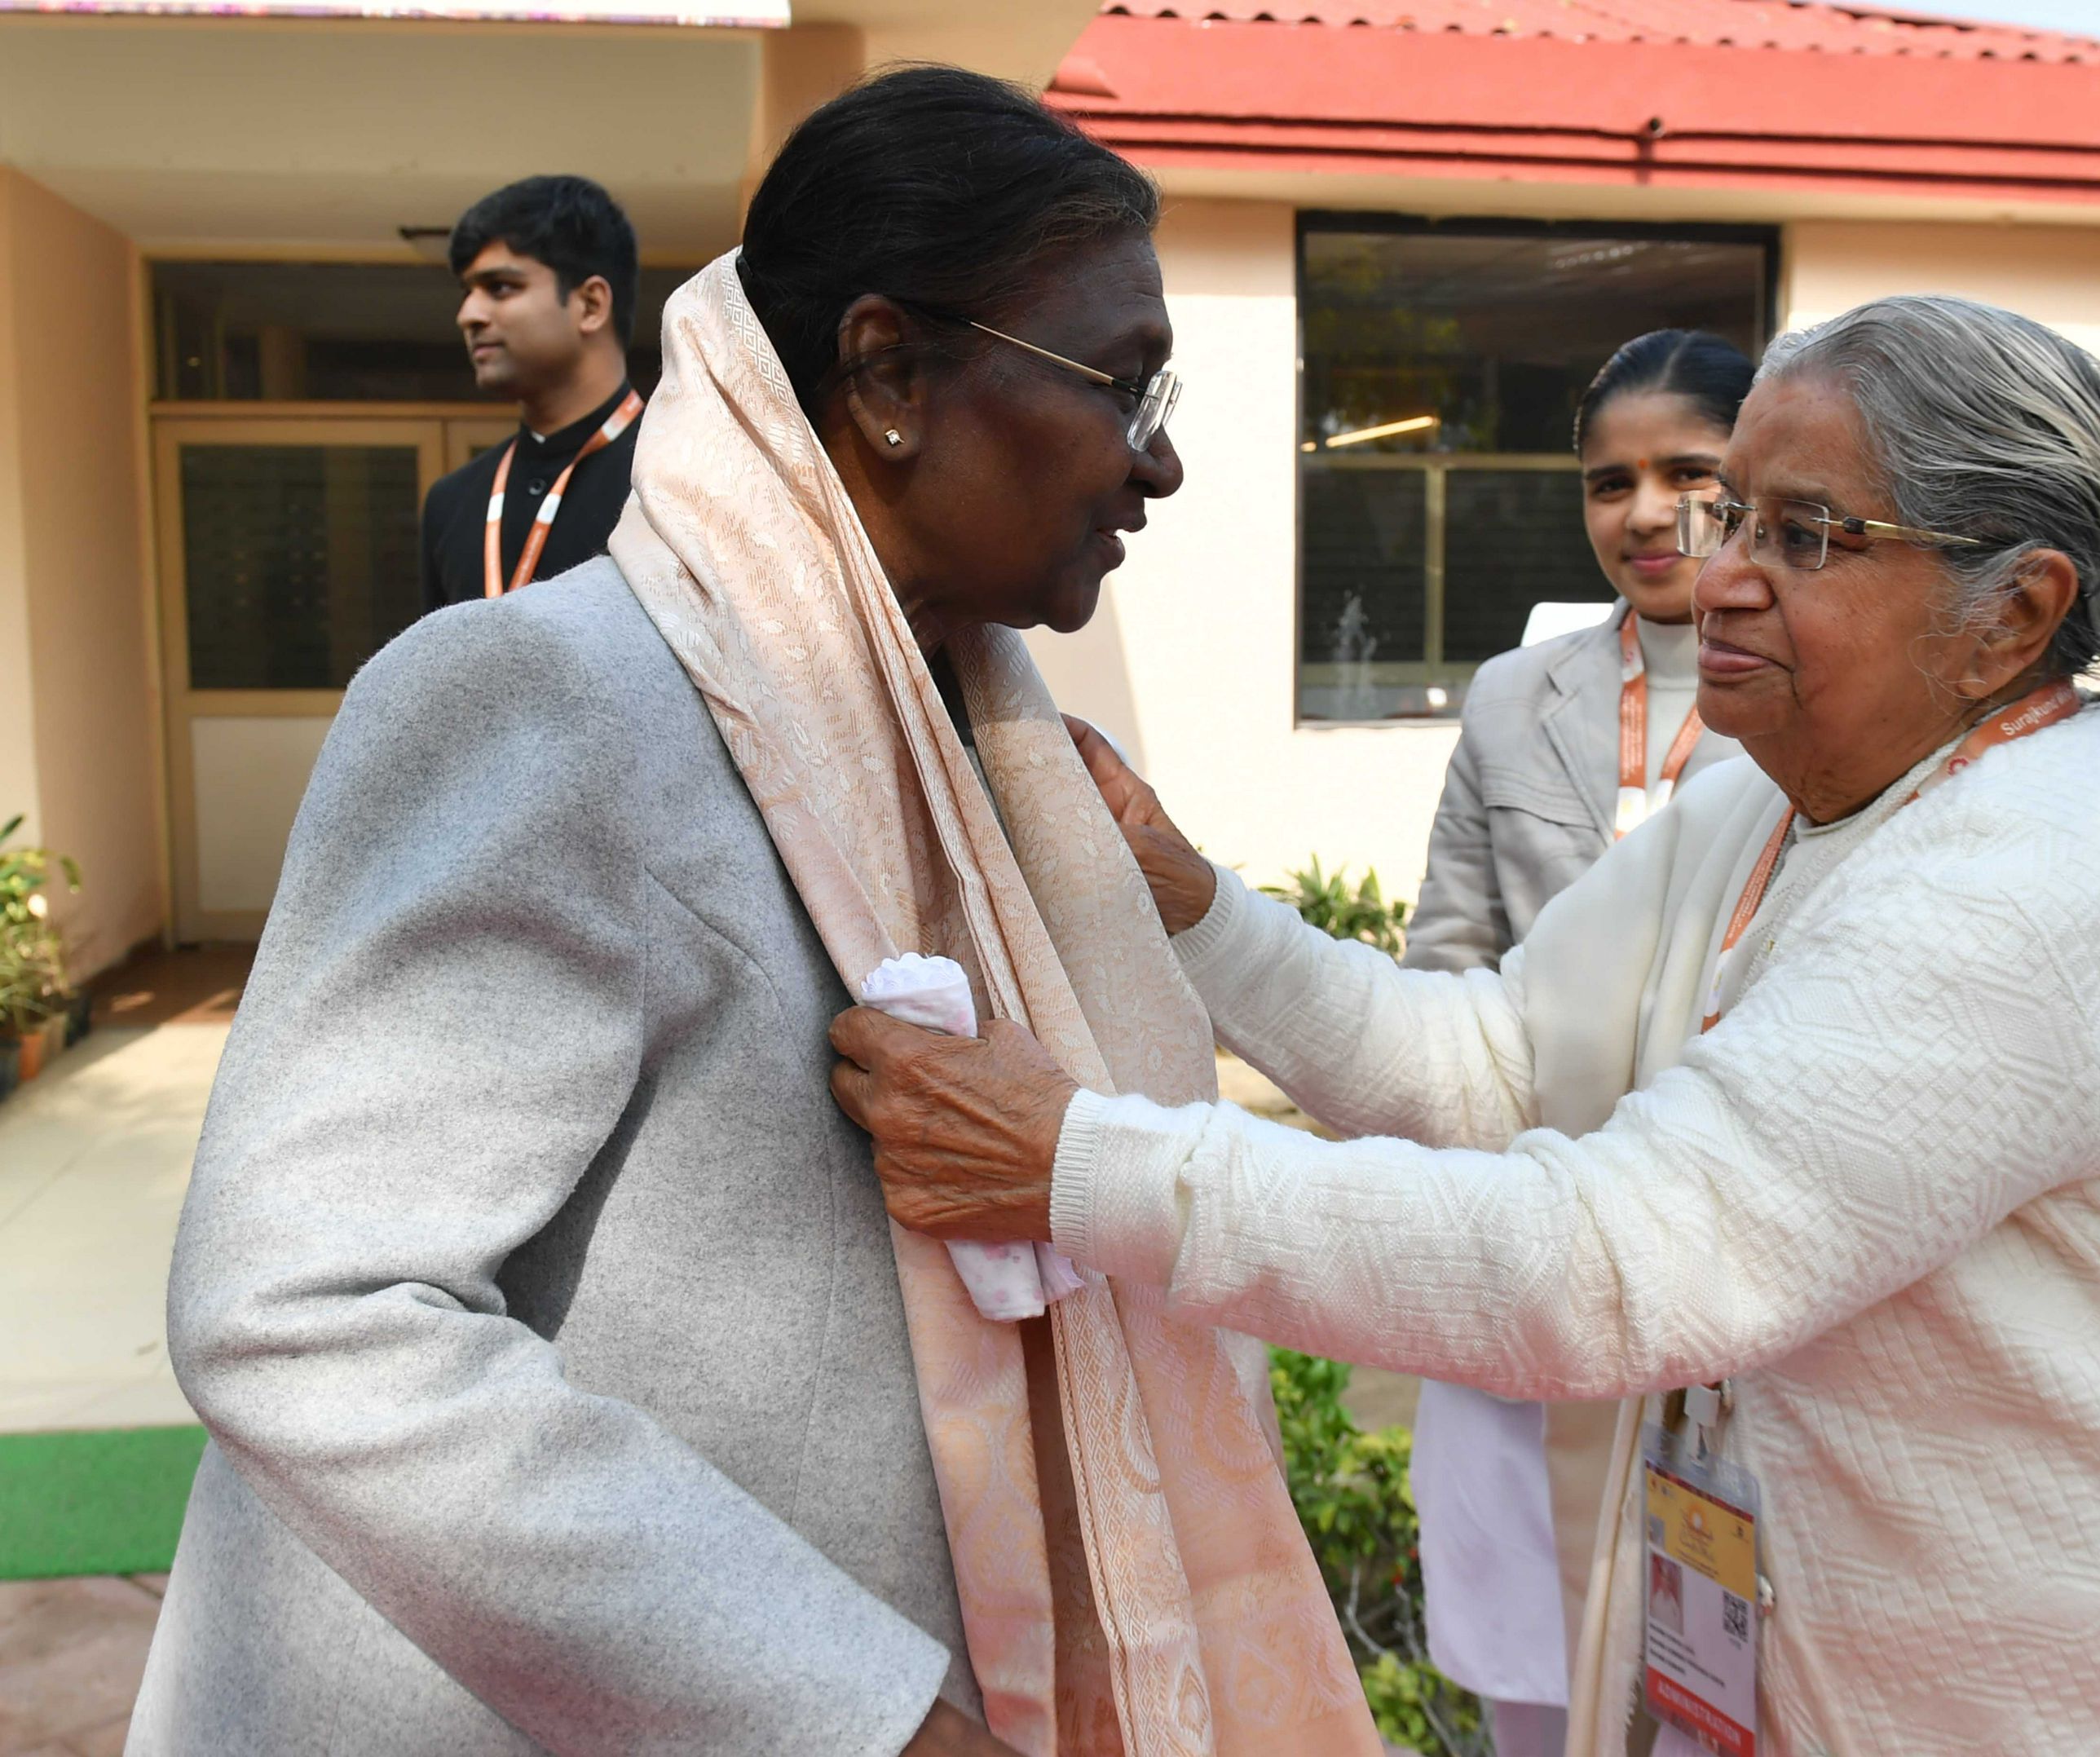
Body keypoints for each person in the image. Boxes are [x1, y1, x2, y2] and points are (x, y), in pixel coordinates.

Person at [832, 294, 2100, 1751]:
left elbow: (1602, 1266)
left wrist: (1077, 1168)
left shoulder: (2038, 874)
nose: (1715, 571)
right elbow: (1494, 1068)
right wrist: (1189, 904)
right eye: (1736, 510)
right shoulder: (1775, 805)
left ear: (2011, 616)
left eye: (1804, 535)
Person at [131, 68, 1374, 1756]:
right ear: (889, 376)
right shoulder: (543, 703)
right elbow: (305, 1317)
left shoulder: (983, 760)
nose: (1156, 463)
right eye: (1121, 383)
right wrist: (863, 1718)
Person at [1401, 328, 1751, 1757]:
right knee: (1533, 1672)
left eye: (1690, 473)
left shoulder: (1816, 696)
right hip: (1530, 1245)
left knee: (1720, 1671)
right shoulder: (1512, 696)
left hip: (1728, 1261)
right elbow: (1443, 960)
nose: (1647, 513)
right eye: (1612, 482)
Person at [419, 174, 644, 612]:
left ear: (590, 305)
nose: (468, 314)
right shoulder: (452, 502)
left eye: (500, 287)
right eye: (467, 292)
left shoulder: (680, 476)